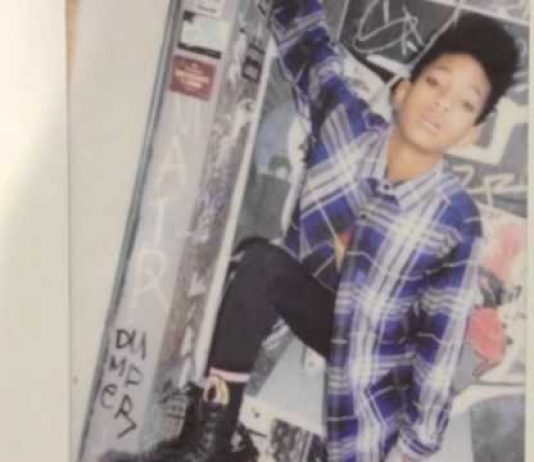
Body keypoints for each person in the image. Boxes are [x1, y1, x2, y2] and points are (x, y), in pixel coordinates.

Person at [101, 0, 519, 461]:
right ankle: (212, 445)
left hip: (379, 361)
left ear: (470, 134)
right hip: (324, 312)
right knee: (261, 266)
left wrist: (409, 451)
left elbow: (437, 355)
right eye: (435, 82)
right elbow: (309, 48)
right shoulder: (346, 127)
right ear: (403, 91)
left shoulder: (455, 221)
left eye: (465, 103)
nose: (442, 102)